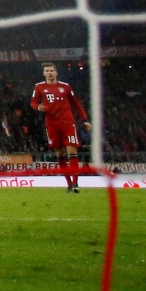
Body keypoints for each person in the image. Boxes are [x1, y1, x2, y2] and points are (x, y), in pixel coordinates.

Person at [31, 62, 91, 193]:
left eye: (52, 70)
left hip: (67, 122)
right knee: (59, 153)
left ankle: (75, 183)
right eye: (47, 71)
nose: (50, 73)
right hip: (52, 124)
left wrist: (85, 119)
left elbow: (76, 103)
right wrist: (38, 107)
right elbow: (33, 102)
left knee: (72, 151)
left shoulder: (65, 87)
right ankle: (69, 184)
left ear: (56, 72)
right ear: (44, 73)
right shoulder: (39, 87)